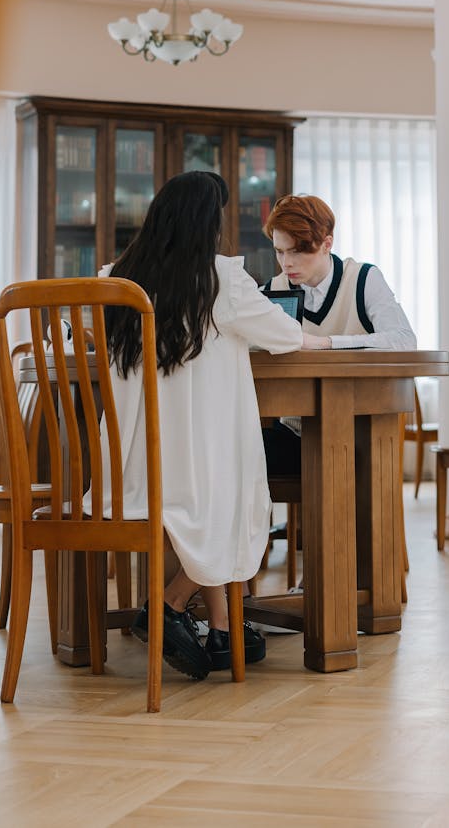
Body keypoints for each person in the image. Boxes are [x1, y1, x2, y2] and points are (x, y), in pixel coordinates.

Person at [94, 171, 318, 680]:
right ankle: (170, 606)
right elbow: (284, 335)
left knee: (211, 488)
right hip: (198, 479)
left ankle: (222, 628)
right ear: (206, 224)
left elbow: (80, 331)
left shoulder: (117, 277)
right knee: (230, 490)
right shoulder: (223, 279)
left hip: (127, 473)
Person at [260, 193, 416, 478]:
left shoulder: (363, 279)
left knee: (338, 462)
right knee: (243, 452)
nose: (286, 263)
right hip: (296, 432)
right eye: (279, 252)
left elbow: (404, 340)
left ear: (326, 244)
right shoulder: (275, 288)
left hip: (361, 432)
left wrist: (325, 344)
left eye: (296, 251)